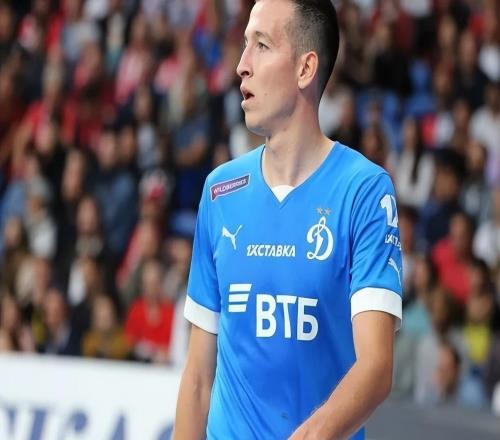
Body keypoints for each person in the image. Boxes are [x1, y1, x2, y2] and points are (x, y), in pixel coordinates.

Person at [174, 1, 403, 439]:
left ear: (305, 69)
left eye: (261, 45)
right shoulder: (220, 191)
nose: (242, 65)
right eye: (245, 44)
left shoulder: (364, 191)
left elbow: (376, 367)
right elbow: (199, 378)